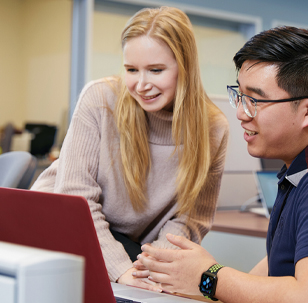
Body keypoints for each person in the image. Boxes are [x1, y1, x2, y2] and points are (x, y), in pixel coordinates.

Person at [135, 26, 308, 302]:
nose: (241, 113)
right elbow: (274, 268)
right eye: (240, 96)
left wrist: (209, 277)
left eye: (255, 100)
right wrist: (202, 282)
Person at [31, 6, 229, 289]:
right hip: (56, 226)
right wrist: (122, 270)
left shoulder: (214, 128)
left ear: (185, 67)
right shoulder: (100, 99)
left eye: (156, 70)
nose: (142, 85)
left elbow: (189, 220)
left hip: (128, 246)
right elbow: (77, 200)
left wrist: (151, 269)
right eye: (131, 70)